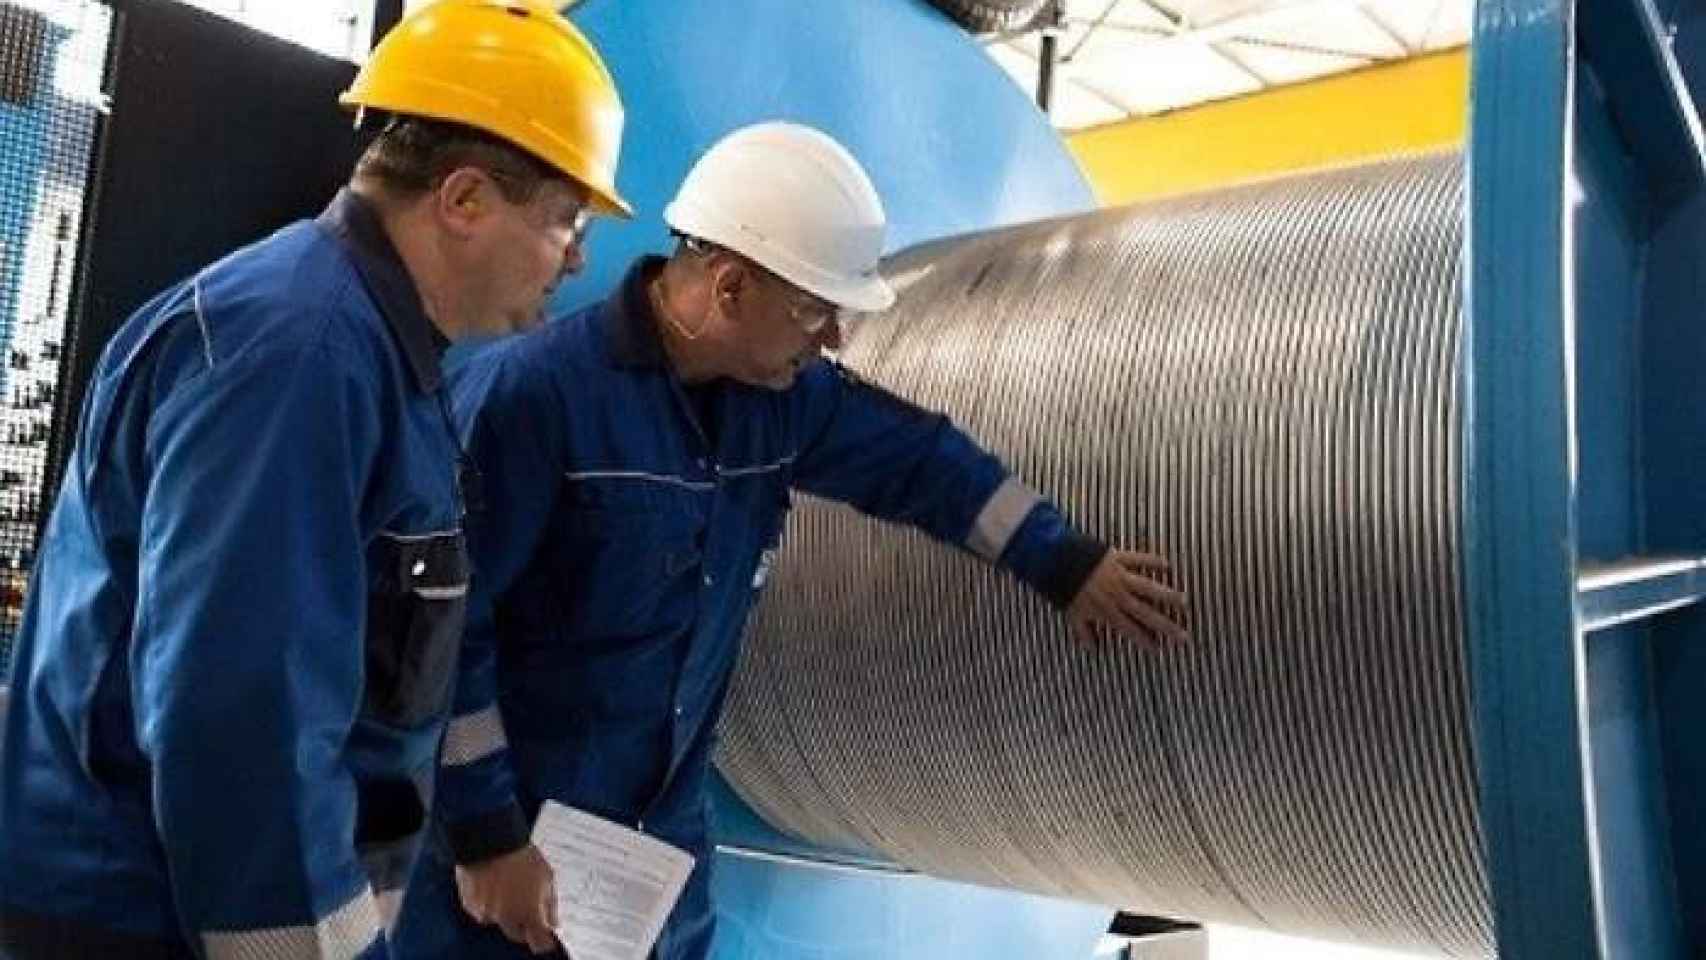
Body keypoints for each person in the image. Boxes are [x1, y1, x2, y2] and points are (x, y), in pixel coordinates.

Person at [391, 122, 1190, 960]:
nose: (834, 339)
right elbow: (438, 636)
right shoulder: (532, 400)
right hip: (500, 863)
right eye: (815, 310)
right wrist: (486, 836)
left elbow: (923, 460)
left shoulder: (778, 399)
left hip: (652, 856)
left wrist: (1065, 562)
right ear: (730, 288)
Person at [0, 2, 630, 957]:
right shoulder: (297, 356)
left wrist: (491, 834)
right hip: (133, 913)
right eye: (564, 221)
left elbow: (425, 643)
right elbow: (239, 720)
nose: (576, 258)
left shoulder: (387, 358)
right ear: (463, 201)